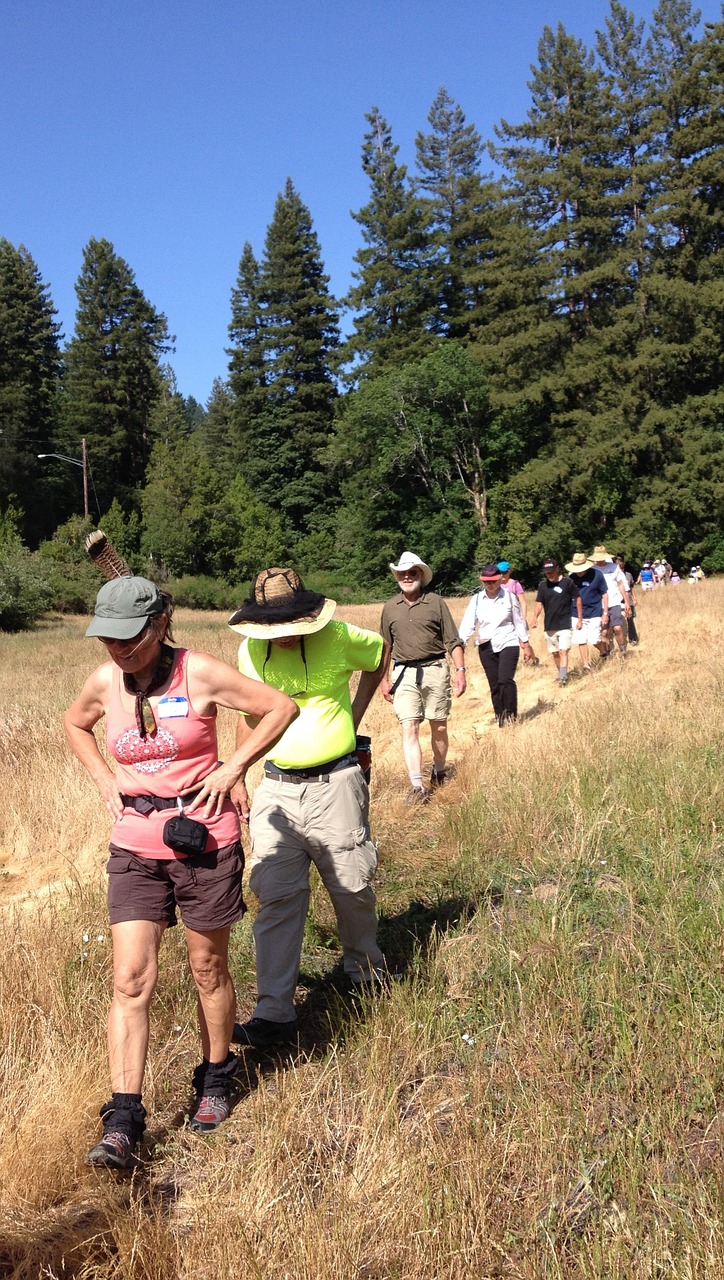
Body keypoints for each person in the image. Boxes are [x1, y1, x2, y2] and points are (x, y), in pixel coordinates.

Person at [64, 576, 298, 1168]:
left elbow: (279, 707)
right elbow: (75, 724)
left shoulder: (200, 673)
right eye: (108, 638)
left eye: (129, 638)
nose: (118, 650)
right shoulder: (104, 682)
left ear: (159, 625)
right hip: (135, 845)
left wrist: (233, 769)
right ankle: (123, 1118)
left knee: (207, 968)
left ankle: (216, 1078)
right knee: (130, 979)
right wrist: (103, 778)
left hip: (203, 842)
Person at [228, 567, 389, 1049]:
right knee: (275, 896)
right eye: (271, 629)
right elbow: (249, 712)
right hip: (277, 788)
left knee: (352, 885)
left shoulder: (339, 636)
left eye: (289, 626)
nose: (279, 637)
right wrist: (238, 772)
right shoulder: (249, 649)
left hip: (336, 783)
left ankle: (365, 973)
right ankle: (274, 1011)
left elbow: (379, 655)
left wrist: (355, 714)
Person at [380, 551, 466, 802]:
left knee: (438, 725)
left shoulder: (436, 602)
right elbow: (385, 646)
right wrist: (384, 680)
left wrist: (460, 671)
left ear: (421, 575)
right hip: (403, 673)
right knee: (409, 725)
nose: (407, 577)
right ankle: (417, 786)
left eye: (412, 572)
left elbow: (453, 639)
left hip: (435, 670)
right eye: (402, 573)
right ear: (397, 576)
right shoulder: (389, 608)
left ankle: (439, 770)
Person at [458, 563, 535, 726]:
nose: (490, 584)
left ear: (500, 579)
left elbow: (518, 621)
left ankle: (512, 717)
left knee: (505, 680)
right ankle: (500, 718)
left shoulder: (509, 597)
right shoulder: (477, 599)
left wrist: (525, 643)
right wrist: (461, 643)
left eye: (493, 581)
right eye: (486, 581)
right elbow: (467, 624)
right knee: (494, 683)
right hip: (486, 645)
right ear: (482, 581)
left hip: (508, 641)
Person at [530, 557, 582, 685]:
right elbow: (539, 603)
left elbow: (578, 599)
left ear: (557, 569)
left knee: (563, 651)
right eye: (547, 572)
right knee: (555, 653)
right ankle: (561, 674)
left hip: (565, 624)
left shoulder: (567, 582)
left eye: (551, 571)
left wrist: (580, 618)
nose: (549, 574)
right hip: (550, 626)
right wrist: (535, 618)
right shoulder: (542, 585)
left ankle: (563, 678)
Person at [564, 553, 609, 671]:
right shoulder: (571, 578)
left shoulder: (597, 575)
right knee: (581, 639)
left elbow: (604, 593)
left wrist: (605, 613)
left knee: (594, 639)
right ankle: (586, 665)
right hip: (576, 613)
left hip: (594, 611)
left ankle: (603, 650)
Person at [590, 546, 633, 657]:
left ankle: (623, 650)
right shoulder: (592, 570)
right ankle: (607, 653)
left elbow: (620, 584)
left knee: (617, 628)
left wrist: (627, 602)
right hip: (600, 604)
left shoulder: (614, 567)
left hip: (614, 602)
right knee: (604, 632)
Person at [615, 555, 639, 644]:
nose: (621, 569)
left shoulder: (628, 575)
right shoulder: (613, 576)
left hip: (628, 600)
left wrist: (634, 598)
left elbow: (631, 587)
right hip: (618, 600)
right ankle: (622, 640)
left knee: (630, 619)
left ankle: (633, 638)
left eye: (622, 568)